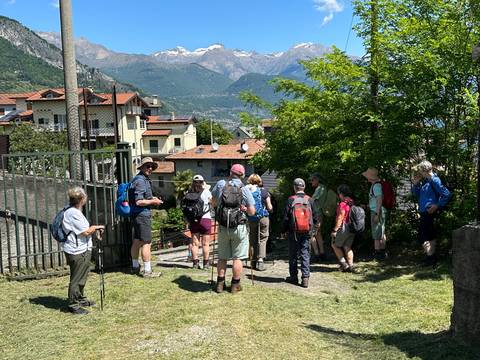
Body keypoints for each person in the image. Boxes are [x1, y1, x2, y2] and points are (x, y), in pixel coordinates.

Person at [211, 164, 255, 294]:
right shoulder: (244, 188)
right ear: (242, 175)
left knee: (222, 257)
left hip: (223, 227)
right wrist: (245, 209)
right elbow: (252, 211)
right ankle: (235, 285)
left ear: (230, 173)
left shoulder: (220, 184)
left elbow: (213, 202)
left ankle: (220, 284)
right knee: (237, 258)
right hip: (239, 226)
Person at [62, 187, 105, 315]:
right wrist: (97, 227)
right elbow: (85, 232)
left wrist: (94, 229)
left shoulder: (76, 211)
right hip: (76, 250)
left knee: (82, 276)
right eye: (85, 196)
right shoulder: (73, 213)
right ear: (81, 199)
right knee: (76, 278)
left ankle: (80, 298)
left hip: (82, 249)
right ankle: (73, 304)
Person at [411, 160, 452, 267]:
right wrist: (415, 184)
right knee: (430, 235)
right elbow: (417, 194)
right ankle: (431, 259)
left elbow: (447, 194)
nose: (420, 173)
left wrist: (437, 205)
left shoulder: (434, 180)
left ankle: (431, 258)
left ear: (425, 170)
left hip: (429, 212)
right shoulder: (426, 181)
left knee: (422, 236)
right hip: (424, 212)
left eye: (420, 171)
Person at [130, 157, 163, 277]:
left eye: (151, 167)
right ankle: (147, 271)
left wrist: (152, 198)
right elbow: (139, 201)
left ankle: (135, 267)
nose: (150, 169)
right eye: (147, 166)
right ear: (142, 167)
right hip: (142, 215)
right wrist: (153, 202)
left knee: (137, 240)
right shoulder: (141, 181)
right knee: (146, 242)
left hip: (136, 214)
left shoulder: (140, 179)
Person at [282, 178, 317, 288]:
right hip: (307, 231)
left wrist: (283, 231)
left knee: (293, 254)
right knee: (305, 253)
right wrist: (314, 229)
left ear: (294, 187)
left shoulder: (291, 200)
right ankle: (305, 278)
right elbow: (315, 217)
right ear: (304, 187)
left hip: (294, 231)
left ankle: (293, 277)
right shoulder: (310, 200)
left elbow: (286, 218)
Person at [246, 173, 273, 271]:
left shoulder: (246, 191)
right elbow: (269, 207)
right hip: (263, 217)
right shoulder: (264, 191)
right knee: (262, 238)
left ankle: (252, 261)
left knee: (252, 239)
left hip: (251, 217)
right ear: (259, 181)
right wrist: (271, 210)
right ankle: (260, 260)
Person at [187, 174, 213, 270]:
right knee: (206, 244)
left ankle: (195, 263)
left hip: (193, 220)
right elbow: (211, 202)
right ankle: (206, 264)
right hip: (205, 218)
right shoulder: (206, 191)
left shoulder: (188, 192)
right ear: (203, 182)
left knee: (195, 243)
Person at [362, 168, 388, 260]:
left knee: (376, 233)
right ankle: (383, 252)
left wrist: (377, 214)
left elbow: (379, 199)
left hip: (377, 211)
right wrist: (367, 206)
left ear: (371, 177)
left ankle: (378, 254)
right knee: (381, 232)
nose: (366, 178)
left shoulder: (376, 186)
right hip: (379, 210)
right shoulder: (376, 185)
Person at [331, 184, 356, 273]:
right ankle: (351, 266)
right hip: (352, 227)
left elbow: (340, 218)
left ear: (341, 194)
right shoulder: (352, 202)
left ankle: (344, 265)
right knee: (347, 246)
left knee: (334, 245)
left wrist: (335, 230)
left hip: (344, 227)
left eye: (339, 193)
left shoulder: (342, 204)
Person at [310, 173, 327, 262]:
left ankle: (317, 254)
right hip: (319, 213)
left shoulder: (320, 188)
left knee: (311, 234)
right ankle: (322, 253)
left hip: (316, 214)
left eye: (312, 179)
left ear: (317, 179)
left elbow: (312, 200)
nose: (311, 181)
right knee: (318, 233)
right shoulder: (321, 188)